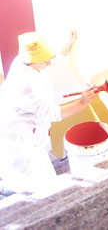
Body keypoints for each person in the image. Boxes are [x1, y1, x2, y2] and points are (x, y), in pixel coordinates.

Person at [0, 31, 97, 192]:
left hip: (30, 135)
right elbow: (53, 114)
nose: (50, 63)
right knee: (33, 187)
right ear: (31, 62)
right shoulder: (24, 85)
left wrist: (65, 46)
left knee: (42, 174)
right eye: (45, 61)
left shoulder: (24, 60)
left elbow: (47, 57)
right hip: (18, 141)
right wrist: (82, 103)